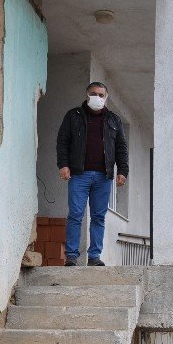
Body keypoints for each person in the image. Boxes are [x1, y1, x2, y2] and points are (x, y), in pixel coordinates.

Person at [56, 82, 128, 267]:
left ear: (106, 97)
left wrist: (122, 171)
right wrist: (63, 164)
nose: (98, 97)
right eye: (94, 94)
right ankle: (71, 256)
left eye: (101, 94)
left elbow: (121, 148)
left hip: (104, 177)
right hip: (79, 174)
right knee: (75, 215)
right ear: (87, 95)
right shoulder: (74, 116)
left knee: (98, 217)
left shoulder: (114, 120)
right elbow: (63, 141)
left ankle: (94, 256)